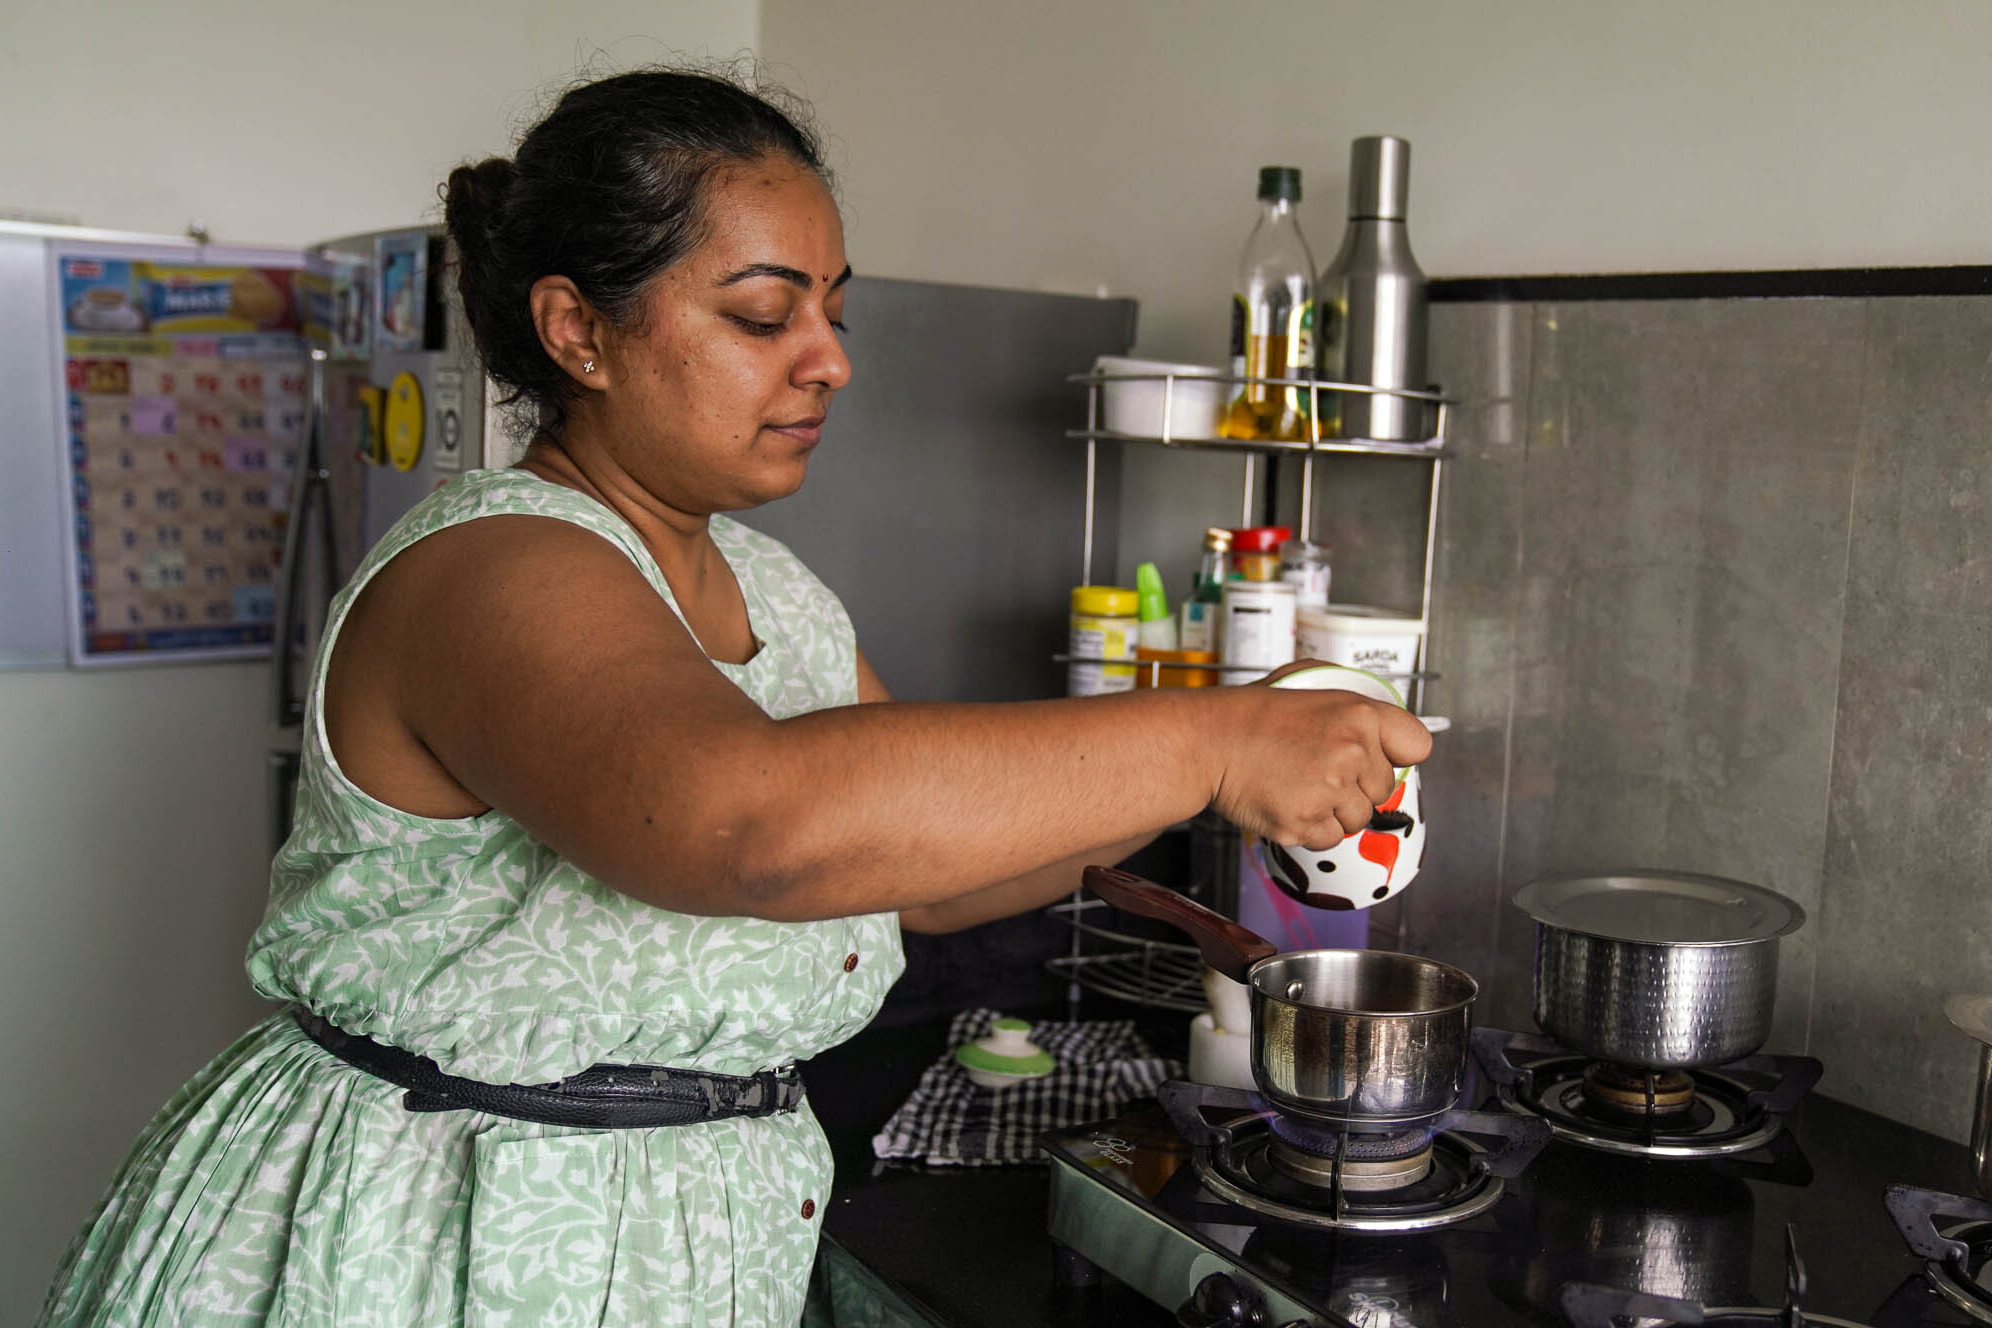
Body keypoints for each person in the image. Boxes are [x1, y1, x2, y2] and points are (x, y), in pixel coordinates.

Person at [37, 67, 1431, 1327]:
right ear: (578, 332)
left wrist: (1224, 778)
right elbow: (748, 827)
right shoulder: (495, 566)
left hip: (688, 1238)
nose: (827, 359)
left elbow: (930, 881)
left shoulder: (775, 589)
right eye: (764, 314)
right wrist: (1208, 739)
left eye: (832, 310)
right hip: (435, 1241)